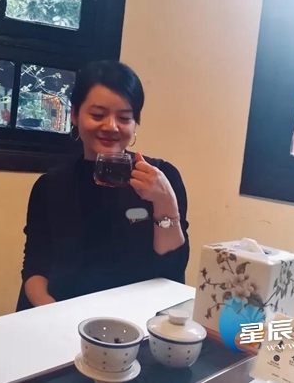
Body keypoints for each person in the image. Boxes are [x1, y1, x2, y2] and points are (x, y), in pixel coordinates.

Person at [16, 60, 190, 311]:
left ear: (135, 123)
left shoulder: (162, 178)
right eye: (98, 115)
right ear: (74, 115)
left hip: (137, 318)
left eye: (125, 117)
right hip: (62, 315)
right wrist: (52, 312)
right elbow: (35, 266)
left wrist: (165, 201)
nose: (111, 126)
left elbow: (171, 272)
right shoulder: (50, 185)